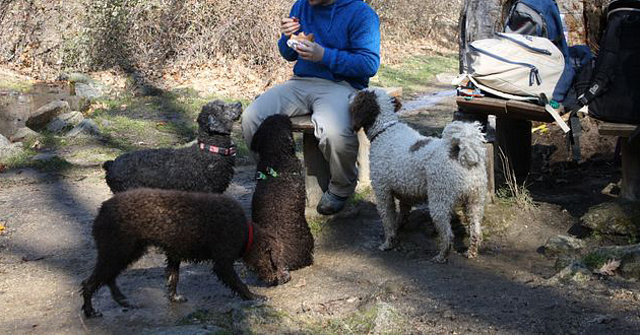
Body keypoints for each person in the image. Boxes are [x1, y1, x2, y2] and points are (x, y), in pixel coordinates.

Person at [241, 0, 380, 215]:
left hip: (341, 85)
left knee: (335, 133)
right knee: (252, 118)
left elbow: (369, 64)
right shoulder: (301, 6)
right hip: (300, 81)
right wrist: (287, 37)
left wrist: (324, 55)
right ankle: (272, 177)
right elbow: (288, 54)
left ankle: (340, 188)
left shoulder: (361, 14)